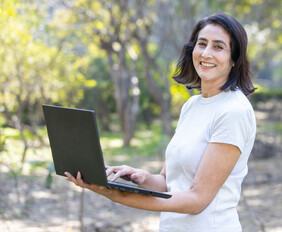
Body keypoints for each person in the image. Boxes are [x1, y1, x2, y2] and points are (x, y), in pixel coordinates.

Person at [65, 12, 256, 232]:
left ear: (234, 59)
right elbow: (168, 183)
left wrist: (113, 193)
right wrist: (142, 177)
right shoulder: (192, 106)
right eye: (202, 44)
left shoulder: (233, 110)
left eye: (218, 47)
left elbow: (197, 199)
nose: (206, 53)